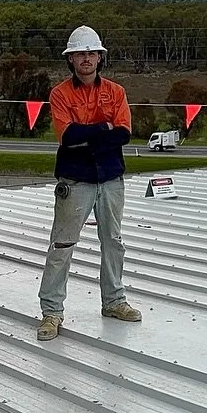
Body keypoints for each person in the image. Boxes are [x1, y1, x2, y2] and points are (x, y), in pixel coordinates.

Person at [36, 25, 143, 340]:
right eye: (80, 53)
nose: (86, 58)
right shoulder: (60, 94)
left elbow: (124, 133)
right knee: (63, 244)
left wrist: (90, 133)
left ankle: (114, 301)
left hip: (110, 178)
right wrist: (104, 128)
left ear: (100, 57)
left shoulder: (116, 91)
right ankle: (51, 313)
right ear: (71, 60)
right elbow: (67, 137)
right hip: (76, 180)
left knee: (114, 242)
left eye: (91, 53)